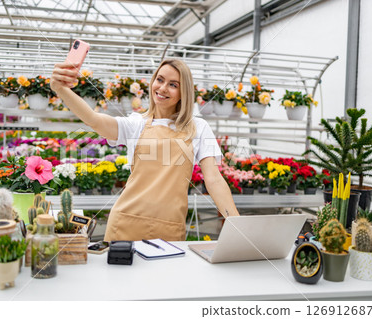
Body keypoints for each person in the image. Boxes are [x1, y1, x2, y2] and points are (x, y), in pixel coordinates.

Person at [51, 59, 239, 241]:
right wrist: (61, 89)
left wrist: (237, 224)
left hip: (170, 227)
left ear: (184, 92)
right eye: (160, 79)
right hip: (126, 222)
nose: (163, 88)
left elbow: (214, 180)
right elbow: (94, 119)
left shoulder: (198, 127)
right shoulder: (136, 124)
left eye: (173, 84)